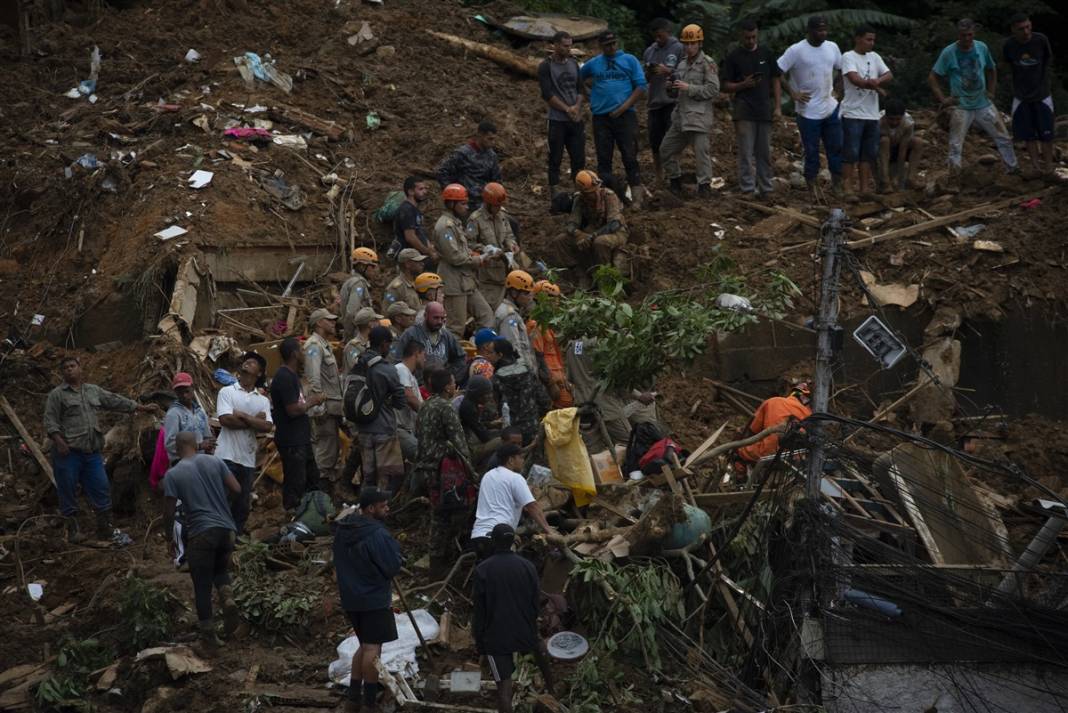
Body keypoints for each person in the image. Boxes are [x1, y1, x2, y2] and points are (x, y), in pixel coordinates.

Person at [44, 356, 158, 541]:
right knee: (67, 489)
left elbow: (115, 400)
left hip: (92, 453)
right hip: (68, 453)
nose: (69, 369)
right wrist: (59, 441)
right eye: (65, 368)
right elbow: (50, 421)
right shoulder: (57, 395)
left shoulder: (92, 390)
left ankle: (105, 528)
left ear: (80, 368)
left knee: (101, 487)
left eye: (72, 366)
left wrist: (141, 408)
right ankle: (72, 531)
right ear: (62, 373)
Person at [162, 432, 241, 650]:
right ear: (194, 444)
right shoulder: (215, 461)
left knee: (202, 585)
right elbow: (236, 489)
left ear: (177, 448)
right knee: (219, 569)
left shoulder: (173, 474)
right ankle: (227, 596)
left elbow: (169, 512)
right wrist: (224, 506)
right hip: (227, 530)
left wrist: (169, 538)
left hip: (201, 534)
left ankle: (209, 637)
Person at [473, 523, 556, 713]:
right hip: (524, 630)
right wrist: (531, 625)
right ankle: (553, 689)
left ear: (493, 542)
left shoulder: (483, 570)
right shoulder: (528, 566)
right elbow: (535, 601)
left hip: (496, 637)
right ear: (512, 542)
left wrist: (480, 641)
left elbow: (479, 611)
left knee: (504, 690)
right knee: (539, 651)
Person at [333, 486, 402, 713]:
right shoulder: (375, 533)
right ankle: (369, 704)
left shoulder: (343, 529)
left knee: (364, 645)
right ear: (370, 508)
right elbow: (391, 566)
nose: (387, 509)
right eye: (383, 506)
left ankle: (353, 699)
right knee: (372, 648)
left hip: (351, 597)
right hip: (373, 597)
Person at [929, 19, 1017, 176]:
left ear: (974, 33)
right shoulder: (949, 52)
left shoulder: (981, 47)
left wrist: (991, 91)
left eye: (970, 35)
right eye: (963, 35)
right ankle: (954, 175)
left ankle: (1013, 169)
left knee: (1002, 136)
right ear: (958, 35)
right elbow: (933, 77)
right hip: (961, 104)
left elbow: (991, 69)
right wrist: (943, 99)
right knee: (956, 143)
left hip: (982, 102)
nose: (967, 39)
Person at [415, 368, 476, 576]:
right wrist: (471, 472)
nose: (454, 386)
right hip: (443, 471)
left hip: (425, 467)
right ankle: (442, 562)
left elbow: (419, 434)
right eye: (452, 382)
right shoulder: (446, 408)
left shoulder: (426, 405)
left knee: (438, 513)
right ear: (447, 387)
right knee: (451, 514)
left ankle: (437, 560)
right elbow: (459, 443)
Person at [581, 31, 648, 209]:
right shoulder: (594, 63)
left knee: (630, 155)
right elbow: (578, 77)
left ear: (617, 43)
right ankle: (607, 199)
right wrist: (588, 96)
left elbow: (641, 86)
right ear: (600, 46)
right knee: (604, 158)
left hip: (625, 116)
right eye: (607, 45)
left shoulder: (629, 60)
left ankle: (637, 198)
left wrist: (623, 107)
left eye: (613, 44)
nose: (611, 48)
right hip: (601, 117)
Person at [778, 16, 843, 194]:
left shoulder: (832, 47)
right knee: (811, 151)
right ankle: (812, 185)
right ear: (810, 30)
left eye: (825, 29)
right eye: (819, 30)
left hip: (830, 107)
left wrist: (838, 90)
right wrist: (793, 93)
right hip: (808, 111)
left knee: (836, 147)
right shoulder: (796, 50)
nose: (823, 33)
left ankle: (837, 184)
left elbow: (842, 69)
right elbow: (777, 71)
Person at [658, 24, 721, 198]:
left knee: (701, 154)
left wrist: (689, 88)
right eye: (686, 43)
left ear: (700, 43)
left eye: (693, 43)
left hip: (698, 117)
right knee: (666, 150)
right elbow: (674, 93)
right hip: (680, 117)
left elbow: (713, 89)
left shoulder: (707, 63)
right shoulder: (681, 65)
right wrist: (670, 87)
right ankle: (675, 181)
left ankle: (704, 187)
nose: (689, 47)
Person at [721, 20, 782, 198]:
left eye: (754, 37)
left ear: (758, 35)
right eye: (747, 37)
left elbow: (776, 79)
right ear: (741, 36)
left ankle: (766, 188)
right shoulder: (733, 57)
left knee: (764, 152)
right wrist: (743, 84)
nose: (751, 40)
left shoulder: (766, 53)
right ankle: (747, 188)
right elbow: (724, 85)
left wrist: (778, 107)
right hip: (743, 109)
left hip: (764, 109)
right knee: (746, 152)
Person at [215, 352, 273, 535]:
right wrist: (254, 421)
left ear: (259, 373)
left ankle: (235, 539)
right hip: (225, 456)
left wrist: (243, 416)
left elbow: (267, 426)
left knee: (241, 505)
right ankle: (219, 538)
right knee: (222, 500)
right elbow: (226, 420)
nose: (247, 362)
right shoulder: (227, 392)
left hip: (247, 460)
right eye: (246, 361)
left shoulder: (263, 400)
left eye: (253, 362)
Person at [470, 443, 557, 557]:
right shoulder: (515, 478)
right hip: (499, 536)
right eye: (520, 457)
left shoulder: (487, 476)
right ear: (511, 460)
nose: (523, 461)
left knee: (486, 567)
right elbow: (533, 506)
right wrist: (549, 530)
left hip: (478, 534)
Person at [271, 337, 326, 510]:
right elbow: (293, 410)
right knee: (296, 482)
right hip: (292, 441)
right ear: (295, 354)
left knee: (311, 478)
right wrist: (314, 400)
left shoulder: (292, 376)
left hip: (300, 439)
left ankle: (312, 514)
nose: (304, 353)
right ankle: (292, 515)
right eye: (301, 350)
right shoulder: (284, 377)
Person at [433, 183, 494, 337]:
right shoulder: (445, 226)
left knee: (486, 315)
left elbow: (462, 251)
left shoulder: (455, 223)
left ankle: (482, 347)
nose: (467, 207)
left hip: (466, 281)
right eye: (463, 203)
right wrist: (478, 259)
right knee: (456, 327)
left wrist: (478, 253)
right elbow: (454, 257)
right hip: (453, 283)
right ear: (451, 204)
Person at [840, 25, 892, 198]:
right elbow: (855, 79)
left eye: (873, 40)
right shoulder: (848, 56)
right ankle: (847, 188)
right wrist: (873, 84)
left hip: (872, 114)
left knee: (868, 153)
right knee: (851, 152)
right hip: (852, 113)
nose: (871, 43)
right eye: (868, 39)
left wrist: (876, 81)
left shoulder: (875, 56)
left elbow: (889, 74)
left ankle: (864, 189)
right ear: (858, 38)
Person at [354, 327, 407, 492]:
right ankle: (381, 506)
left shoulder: (358, 363)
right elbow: (400, 401)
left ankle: (365, 504)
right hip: (384, 429)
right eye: (389, 345)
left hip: (363, 428)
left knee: (368, 476)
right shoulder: (386, 369)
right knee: (386, 478)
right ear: (384, 344)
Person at [1003, 13, 1054, 176]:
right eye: (1021, 29)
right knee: (1028, 135)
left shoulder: (1041, 40)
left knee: (1046, 134)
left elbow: (1048, 59)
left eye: (1027, 27)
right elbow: (1007, 65)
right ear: (1013, 30)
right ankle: (1035, 167)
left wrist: (1044, 81)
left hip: (1042, 94)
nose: (1025, 32)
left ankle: (1049, 168)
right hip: (1021, 95)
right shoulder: (1009, 45)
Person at [539, 30, 586, 196]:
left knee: (579, 157)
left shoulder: (574, 64)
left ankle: (579, 191)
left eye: (570, 46)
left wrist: (577, 106)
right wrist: (567, 109)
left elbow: (580, 88)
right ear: (556, 45)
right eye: (565, 46)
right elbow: (547, 94)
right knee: (555, 157)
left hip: (575, 119)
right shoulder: (546, 66)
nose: (568, 49)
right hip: (557, 120)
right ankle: (554, 193)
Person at [304, 308, 345, 488]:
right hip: (324, 407)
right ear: (319, 323)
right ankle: (318, 490)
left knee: (331, 448)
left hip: (332, 406)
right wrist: (318, 406)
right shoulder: (314, 346)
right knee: (326, 451)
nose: (334, 323)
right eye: (329, 320)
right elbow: (313, 378)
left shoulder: (324, 345)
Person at [562, 170, 629, 275]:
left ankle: (605, 274)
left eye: (595, 190)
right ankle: (578, 272)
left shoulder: (609, 196)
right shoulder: (579, 199)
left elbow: (614, 224)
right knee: (561, 240)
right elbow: (572, 222)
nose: (594, 193)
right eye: (590, 193)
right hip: (592, 231)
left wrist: (591, 237)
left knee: (600, 242)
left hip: (616, 233)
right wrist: (577, 233)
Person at [642, 19, 684, 182]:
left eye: (660, 36)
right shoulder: (649, 51)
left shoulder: (679, 48)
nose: (657, 39)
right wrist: (649, 73)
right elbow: (644, 78)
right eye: (655, 37)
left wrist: (668, 72)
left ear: (668, 32)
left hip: (672, 101)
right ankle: (659, 176)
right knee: (655, 142)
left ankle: (674, 175)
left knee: (672, 141)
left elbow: (685, 73)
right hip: (654, 102)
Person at [466, 182, 519, 309]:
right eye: (496, 205)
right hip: (487, 276)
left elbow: (509, 235)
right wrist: (487, 250)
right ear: (488, 203)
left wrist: (511, 244)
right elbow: (468, 244)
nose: (499, 208)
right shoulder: (475, 219)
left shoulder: (502, 216)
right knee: (491, 309)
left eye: (500, 205)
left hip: (505, 270)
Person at [735, 381, 812, 468]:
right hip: (794, 460)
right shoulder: (810, 415)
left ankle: (739, 471)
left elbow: (753, 431)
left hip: (766, 454)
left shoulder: (772, 401)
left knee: (739, 451)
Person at [395, 301, 468, 386]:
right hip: (417, 385)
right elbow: (398, 360)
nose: (439, 321)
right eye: (436, 318)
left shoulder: (446, 335)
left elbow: (460, 358)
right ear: (425, 316)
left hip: (440, 387)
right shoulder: (411, 334)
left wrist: (449, 377)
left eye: (442, 318)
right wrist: (409, 380)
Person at [493, 339, 550, 445]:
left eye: (492, 353)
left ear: (499, 355)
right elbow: (544, 399)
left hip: (511, 435)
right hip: (532, 427)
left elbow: (493, 410)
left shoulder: (496, 379)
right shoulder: (527, 372)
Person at [436, 120, 502, 208]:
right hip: (465, 204)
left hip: (484, 204)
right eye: (489, 139)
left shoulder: (492, 156)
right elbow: (442, 172)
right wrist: (453, 195)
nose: (493, 142)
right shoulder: (463, 153)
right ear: (480, 135)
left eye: (494, 139)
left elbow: (496, 181)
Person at [527, 281, 572, 409]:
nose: (555, 303)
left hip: (559, 378)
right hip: (551, 381)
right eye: (551, 299)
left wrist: (563, 376)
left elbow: (556, 355)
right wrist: (550, 383)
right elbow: (538, 357)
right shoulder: (535, 325)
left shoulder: (547, 325)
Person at [163, 371, 213, 465]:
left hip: (200, 461)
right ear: (176, 393)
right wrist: (198, 446)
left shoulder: (200, 412)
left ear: (193, 388)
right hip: (182, 462)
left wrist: (210, 445)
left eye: (187, 391)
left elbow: (207, 436)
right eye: (180, 393)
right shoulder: (173, 414)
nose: (184, 395)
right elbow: (170, 444)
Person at [879, 98, 925, 190]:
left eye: (898, 119)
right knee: (884, 140)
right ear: (885, 116)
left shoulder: (908, 123)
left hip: (898, 147)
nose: (894, 122)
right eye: (891, 119)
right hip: (881, 151)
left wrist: (898, 176)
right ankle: (885, 181)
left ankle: (911, 179)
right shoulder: (877, 121)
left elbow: (902, 150)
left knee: (918, 142)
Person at [495, 270, 537, 373]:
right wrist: (523, 372)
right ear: (514, 293)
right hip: (517, 371)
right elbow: (513, 346)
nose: (529, 297)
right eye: (526, 293)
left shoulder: (513, 312)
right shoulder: (509, 316)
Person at [459, 375, 501, 470]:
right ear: (477, 394)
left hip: (471, 440)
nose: (490, 396)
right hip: (471, 450)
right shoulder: (468, 408)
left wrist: (492, 424)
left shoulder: (469, 403)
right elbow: (484, 437)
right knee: (503, 441)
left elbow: (477, 426)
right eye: (487, 394)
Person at [390, 177, 437, 263]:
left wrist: (430, 247)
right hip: (409, 258)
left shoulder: (414, 209)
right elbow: (410, 237)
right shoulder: (407, 210)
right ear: (410, 191)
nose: (425, 192)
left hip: (417, 256)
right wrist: (427, 252)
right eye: (421, 189)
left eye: (425, 189)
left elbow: (419, 231)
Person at [394, 340, 425, 465]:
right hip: (399, 429)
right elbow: (408, 397)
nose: (425, 359)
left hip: (408, 429)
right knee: (423, 456)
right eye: (424, 355)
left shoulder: (409, 375)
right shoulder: (401, 369)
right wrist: (429, 413)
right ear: (416, 354)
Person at [339, 248, 380, 339]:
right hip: (357, 336)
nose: (375, 270)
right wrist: (348, 337)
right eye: (372, 266)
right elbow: (351, 313)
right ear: (361, 266)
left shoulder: (353, 281)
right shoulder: (358, 284)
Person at [384, 248, 429, 315]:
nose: (422, 264)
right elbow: (387, 312)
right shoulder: (395, 288)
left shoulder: (417, 283)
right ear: (408, 264)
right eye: (417, 261)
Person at [343, 306, 385, 374]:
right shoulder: (353, 347)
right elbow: (357, 369)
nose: (379, 323)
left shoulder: (373, 343)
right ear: (370, 324)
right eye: (376, 320)